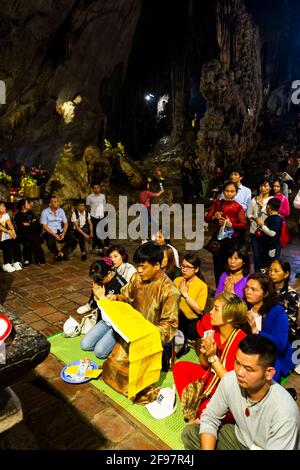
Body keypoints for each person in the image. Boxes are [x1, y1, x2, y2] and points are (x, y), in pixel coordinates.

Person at [182, 334, 300, 450]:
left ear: (269, 373)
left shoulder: (284, 413)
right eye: (237, 363)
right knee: (190, 434)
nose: (239, 372)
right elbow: (210, 417)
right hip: (241, 439)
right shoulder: (230, 380)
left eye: (248, 369)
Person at [101, 242, 180, 396]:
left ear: (157, 265)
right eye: (138, 266)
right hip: (131, 333)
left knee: (135, 382)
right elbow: (126, 296)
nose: (139, 270)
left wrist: (148, 333)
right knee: (112, 365)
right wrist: (115, 297)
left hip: (150, 340)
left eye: (144, 267)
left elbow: (170, 325)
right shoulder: (137, 278)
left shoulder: (170, 291)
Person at [173, 292, 247, 422]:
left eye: (216, 309)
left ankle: (199, 416)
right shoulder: (213, 331)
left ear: (229, 318)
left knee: (212, 409)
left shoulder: (242, 343)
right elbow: (204, 365)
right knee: (180, 367)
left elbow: (232, 384)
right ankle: (193, 413)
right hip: (210, 377)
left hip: (228, 391)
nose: (211, 312)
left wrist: (213, 357)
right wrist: (204, 353)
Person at [245, 272, 293, 382]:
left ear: (265, 293)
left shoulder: (277, 312)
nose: (248, 292)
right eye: (247, 287)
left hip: (270, 356)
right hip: (248, 353)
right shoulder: (244, 308)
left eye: (254, 289)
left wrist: (256, 331)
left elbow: (280, 345)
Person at [80, 258, 127, 358]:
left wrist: (102, 298)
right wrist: (96, 299)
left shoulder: (122, 284)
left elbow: (123, 312)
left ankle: (122, 343)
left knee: (99, 352)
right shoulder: (99, 280)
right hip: (105, 321)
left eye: (101, 280)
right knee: (85, 344)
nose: (98, 282)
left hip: (118, 324)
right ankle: (108, 342)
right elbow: (94, 304)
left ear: (109, 273)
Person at [205, 181, 247, 286]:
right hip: (219, 240)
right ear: (223, 192)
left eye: (232, 191)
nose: (229, 193)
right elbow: (207, 218)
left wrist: (231, 224)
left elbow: (243, 224)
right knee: (217, 264)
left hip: (232, 240)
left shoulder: (238, 207)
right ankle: (219, 288)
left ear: (236, 193)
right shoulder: (217, 203)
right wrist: (214, 215)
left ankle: (230, 288)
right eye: (227, 191)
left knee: (230, 265)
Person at [174, 252, 208, 342]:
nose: (184, 269)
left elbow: (199, 310)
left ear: (196, 269)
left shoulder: (202, 286)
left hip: (192, 324)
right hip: (178, 321)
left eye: (188, 267)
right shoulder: (177, 281)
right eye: (183, 266)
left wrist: (185, 294)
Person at [268, 259, 300, 343]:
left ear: (286, 274)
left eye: (276, 271)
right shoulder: (264, 291)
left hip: (283, 337)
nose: (272, 273)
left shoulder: (292, 295)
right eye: (270, 270)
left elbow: (290, 323)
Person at [40, 196, 77, 261]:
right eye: (55, 202)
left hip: (60, 231)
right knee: (50, 243)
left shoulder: (61, 211)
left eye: (57, 201)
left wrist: (63, 233)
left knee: (73, 239)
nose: (57, 203)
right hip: (50, 232)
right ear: (50, 204)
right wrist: (55, 235)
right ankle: (57, 253)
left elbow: (65, 223)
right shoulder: (45, 212)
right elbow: (45, 226)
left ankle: (62, 253)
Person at [247, 180, 272, 272]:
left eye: (265, 186)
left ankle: (265, 273)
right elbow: (249, 214)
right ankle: (257, 273)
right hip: (254, 230)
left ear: (270, 188)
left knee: (266, 253)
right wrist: (255, 218)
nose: (263, 188)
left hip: (267, 231)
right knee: (256, 254)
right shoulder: (254, 199)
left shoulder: (272, 200)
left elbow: (274, 214)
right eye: (261, 186)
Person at [14, 198, 45, 265]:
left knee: (34, 239)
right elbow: (21, 227)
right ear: (23, 206)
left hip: (33, 233)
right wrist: (31, 223)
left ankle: (30, 260)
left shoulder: (30, 213)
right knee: (34, 239)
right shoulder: (18, 215)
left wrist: (29, 224)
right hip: (23, 235)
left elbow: (37, 224)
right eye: (27, 203)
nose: (29, 204)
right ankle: (39, 259)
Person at [255, 197, 282, 268]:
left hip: (271, 248)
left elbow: (272, 233)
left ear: (268, 206)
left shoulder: (276, 219)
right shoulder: (271, 217)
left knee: (269, 266)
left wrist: (262, 225)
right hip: (266, 246)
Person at [86, 182, 108, 254]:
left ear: (100, 188)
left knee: (104, 230)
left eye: (97, 188)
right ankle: (98, 246)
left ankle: (106, 245)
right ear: (92, 189)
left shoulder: (103, 196)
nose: (96, 189)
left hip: (102, 215)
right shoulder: (89, 197)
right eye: (94, 188)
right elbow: (88, 207)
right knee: (95, 232)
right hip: (93, 216)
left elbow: (104, 205)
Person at [0, 201, 22, 272]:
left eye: (5, 206)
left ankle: (16, 261)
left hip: (4, 235)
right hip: (1, 237)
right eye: (3, 206)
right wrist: (8, 231)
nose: (5, 207)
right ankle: (6, 263)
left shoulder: (5, 215)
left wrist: (13, 232)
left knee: (15, 241)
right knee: (6, 243)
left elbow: (9, 224)